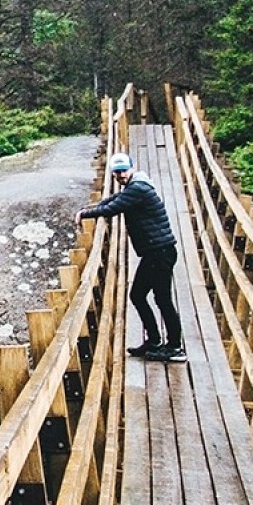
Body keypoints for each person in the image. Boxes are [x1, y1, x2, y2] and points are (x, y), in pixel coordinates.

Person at [80, 152, 185, 360]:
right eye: (117, 173)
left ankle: (174, 348)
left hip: (160, 251)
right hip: (157, 251)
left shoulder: (138, 188)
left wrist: (85, 214)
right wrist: (88, 209)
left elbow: (113, 208)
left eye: (123, 171)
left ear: (132, 168)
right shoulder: (135, 186)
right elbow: (114, 199)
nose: (121, 176)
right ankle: (154, 341)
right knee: (139, 295)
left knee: (161, 298)